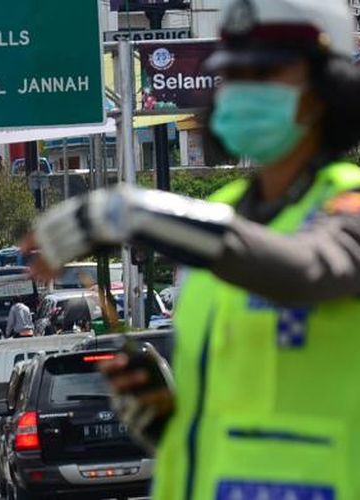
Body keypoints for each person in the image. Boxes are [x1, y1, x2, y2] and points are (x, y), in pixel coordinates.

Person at [26, 1, 360, 498]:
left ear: (325, 87)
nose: (242, 89)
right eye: (233, 72)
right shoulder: (222, 216)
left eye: (265, 72)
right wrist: (172, 420)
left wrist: (138, 213)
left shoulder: (344, 203)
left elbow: (309, 268)